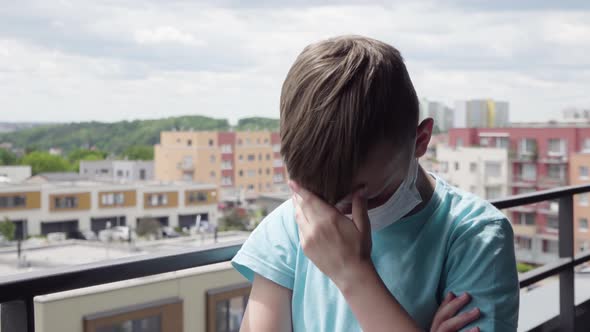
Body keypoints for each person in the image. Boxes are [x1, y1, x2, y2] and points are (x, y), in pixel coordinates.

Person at [232, 35, 519, 331]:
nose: (332, 219)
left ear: (420, 142)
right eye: (318, 196)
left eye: (362, 198)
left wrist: (353, 273)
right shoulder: (291, 226)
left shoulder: (476, 236)